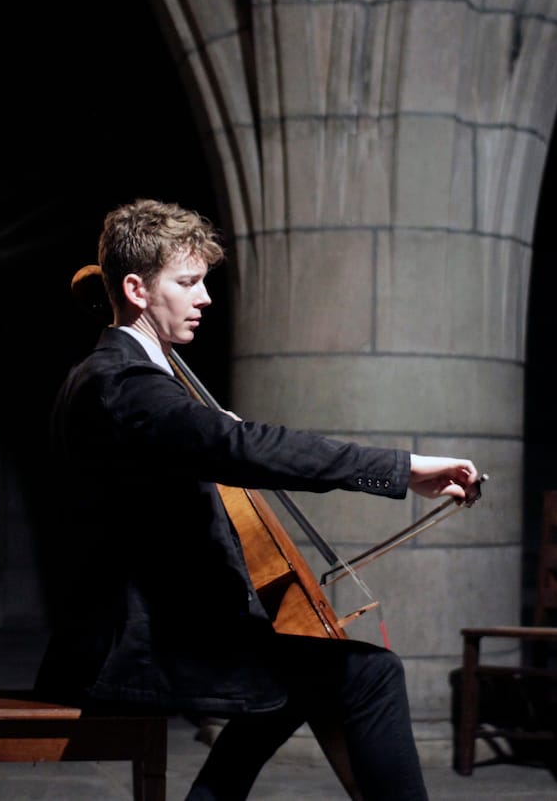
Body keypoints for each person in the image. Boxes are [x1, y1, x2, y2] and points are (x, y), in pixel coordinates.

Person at [34, 199, 482, 801]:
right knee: (371, 674)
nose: (205, 298)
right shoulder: (124, 387)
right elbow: (248, 448)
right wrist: (404, 469)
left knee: (289, 682)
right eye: (188, 282)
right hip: (138, 645)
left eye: (204, 282)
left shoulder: (128, 379)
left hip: (148, 632)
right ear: (136, 290)